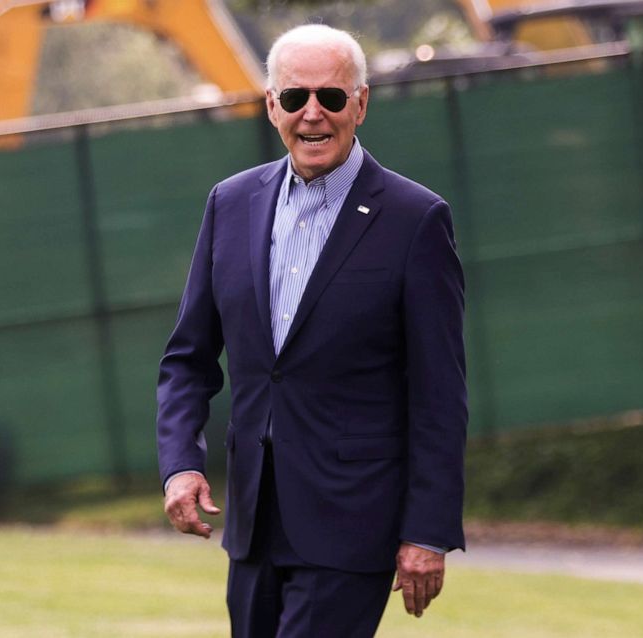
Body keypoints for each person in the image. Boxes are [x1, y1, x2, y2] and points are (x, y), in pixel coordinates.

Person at [156, 24, 467, 638]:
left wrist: (427, 530)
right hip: (253, 524)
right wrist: (179, 466)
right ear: (272, 105)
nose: (313, 114)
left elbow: (439, 394)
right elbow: (188, 358)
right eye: (296, 98)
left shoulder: (415, 220)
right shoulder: (230, 203)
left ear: (361, 103)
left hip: (354, 525)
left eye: (332, 96)